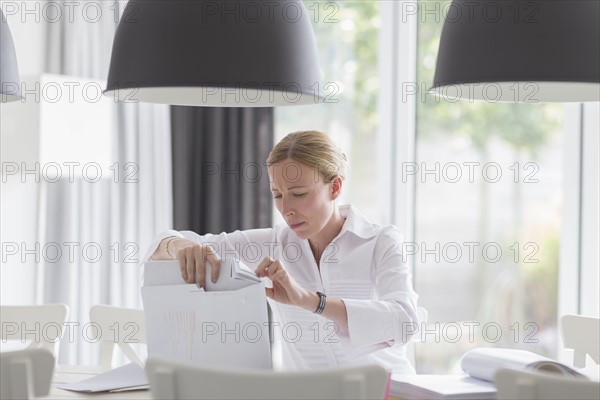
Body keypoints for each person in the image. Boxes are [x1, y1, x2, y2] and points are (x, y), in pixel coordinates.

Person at [146, 130, 418, 373]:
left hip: (387, 394)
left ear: (334, 187)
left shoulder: (381, 241)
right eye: (277, 194)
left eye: (299, 194)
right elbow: (162, 245)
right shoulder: (273, 243)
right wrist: (180, 246)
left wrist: (309, 300)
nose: (286, 208)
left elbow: (405, 322)